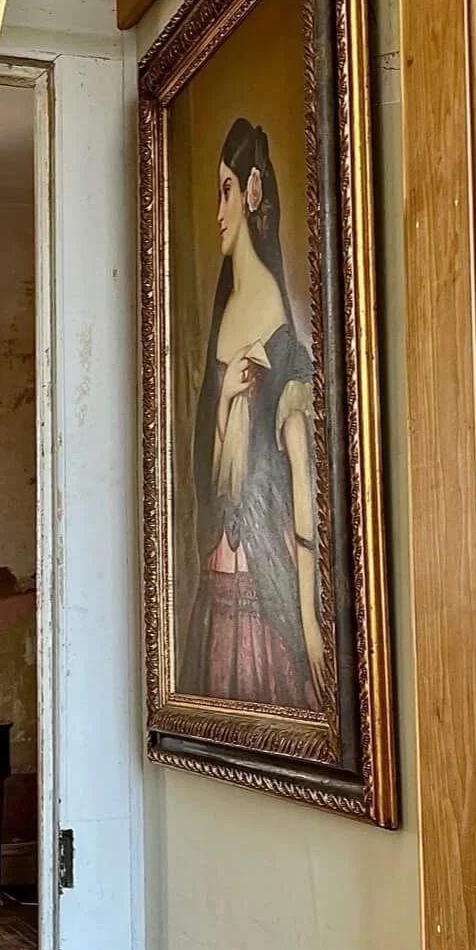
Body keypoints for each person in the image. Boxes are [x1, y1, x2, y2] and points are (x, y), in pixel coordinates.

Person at [179, 116, 327, 709]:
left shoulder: (277, 325)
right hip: (222, 561)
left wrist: (310, 619)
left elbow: (301, 478)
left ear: (253, 191)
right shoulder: (228, 309)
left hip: (267, 573)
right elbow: (214, 474)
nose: (219, 210)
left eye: (227, 190)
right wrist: (224, 402)